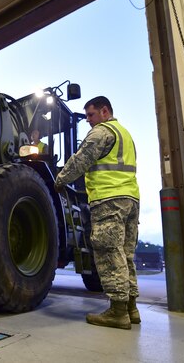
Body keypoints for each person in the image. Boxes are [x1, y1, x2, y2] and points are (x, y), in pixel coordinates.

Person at [54, 96, 140, 330]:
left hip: (108, 199)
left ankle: (117, 312)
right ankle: (131, 308)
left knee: (108, 252)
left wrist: (59, 180)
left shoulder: (102, 132)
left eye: (91, 115)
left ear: (104, 111)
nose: (89, 121)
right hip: (130, 199)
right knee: (125, 254)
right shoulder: (125, 134)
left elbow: (80, 160)